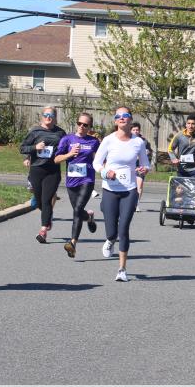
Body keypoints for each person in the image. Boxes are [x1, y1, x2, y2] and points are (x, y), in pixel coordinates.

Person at [93, 107, 150, 282]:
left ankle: (122, 269)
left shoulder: (138, 142)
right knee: (112, 232)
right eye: (118, 116)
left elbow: (146, 163)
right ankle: (110, 240)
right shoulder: (108, 140)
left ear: (131, 119)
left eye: (125, 115)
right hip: (110, 190)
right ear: (115, 120)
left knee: (123, 228)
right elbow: (96, 163)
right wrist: (105, 172)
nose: (122, 118)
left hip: (129, 190)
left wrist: (144, 169)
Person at [55, 112, 99, 258]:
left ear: (89, 127)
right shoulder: (67, 139)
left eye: (85, 125)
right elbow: (56, 159)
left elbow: (101, 158)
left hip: (87, 180)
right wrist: (70, 154)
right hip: (71, 181)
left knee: (78, 209)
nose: (81, 126)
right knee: (78, 211)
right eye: (79, 123)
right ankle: (89, 217)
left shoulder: (94, 142)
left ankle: (73, 243)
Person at [19, 105, 66, 244]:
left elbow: (66, 148)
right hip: (37, 170)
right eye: (46, 115)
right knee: (39, 202)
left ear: (55, 118)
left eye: (51, 116)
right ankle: (48, 216)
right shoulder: (35, 131)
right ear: (42, 117)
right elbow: (22, 148)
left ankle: (43, 230)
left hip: (53, 171)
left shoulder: (60, 133)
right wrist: (35, 148)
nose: (48, 118)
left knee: (46, 200)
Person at [168, 114, 195, 178]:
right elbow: (170, 149)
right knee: (181, 185)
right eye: (188, 123)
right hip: (181, 168)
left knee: (193, 184)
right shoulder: (179, 135)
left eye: (193, 124)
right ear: (186, 124)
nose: (190, 126)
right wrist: (174, 158)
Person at [130, 121, 154, 211]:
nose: (135, 131)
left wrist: (146, 153)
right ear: (130, 130)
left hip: (140, 167)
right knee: (130, 185)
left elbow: (149, 152)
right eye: (133, 130)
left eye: (137, 130)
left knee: (139, 184)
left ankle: (136, 204)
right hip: (130, 167)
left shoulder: (144, 141)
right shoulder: (127, 140)